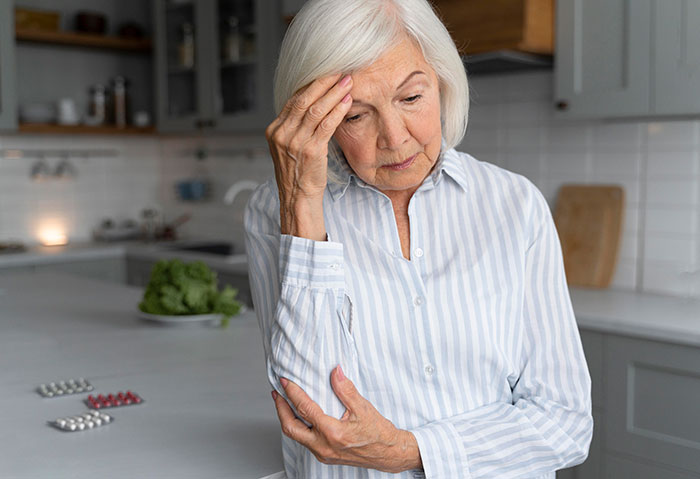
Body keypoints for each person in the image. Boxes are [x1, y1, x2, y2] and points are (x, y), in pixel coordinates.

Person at [244, 0, 593, 477]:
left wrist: (411, 451)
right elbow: (316, 421)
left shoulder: (515, 205)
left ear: (443, 81)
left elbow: (565, 423)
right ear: (314, 121)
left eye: (411, 98)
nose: (394, 136)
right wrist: (303, 205)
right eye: (355, 116)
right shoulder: (276, 210)